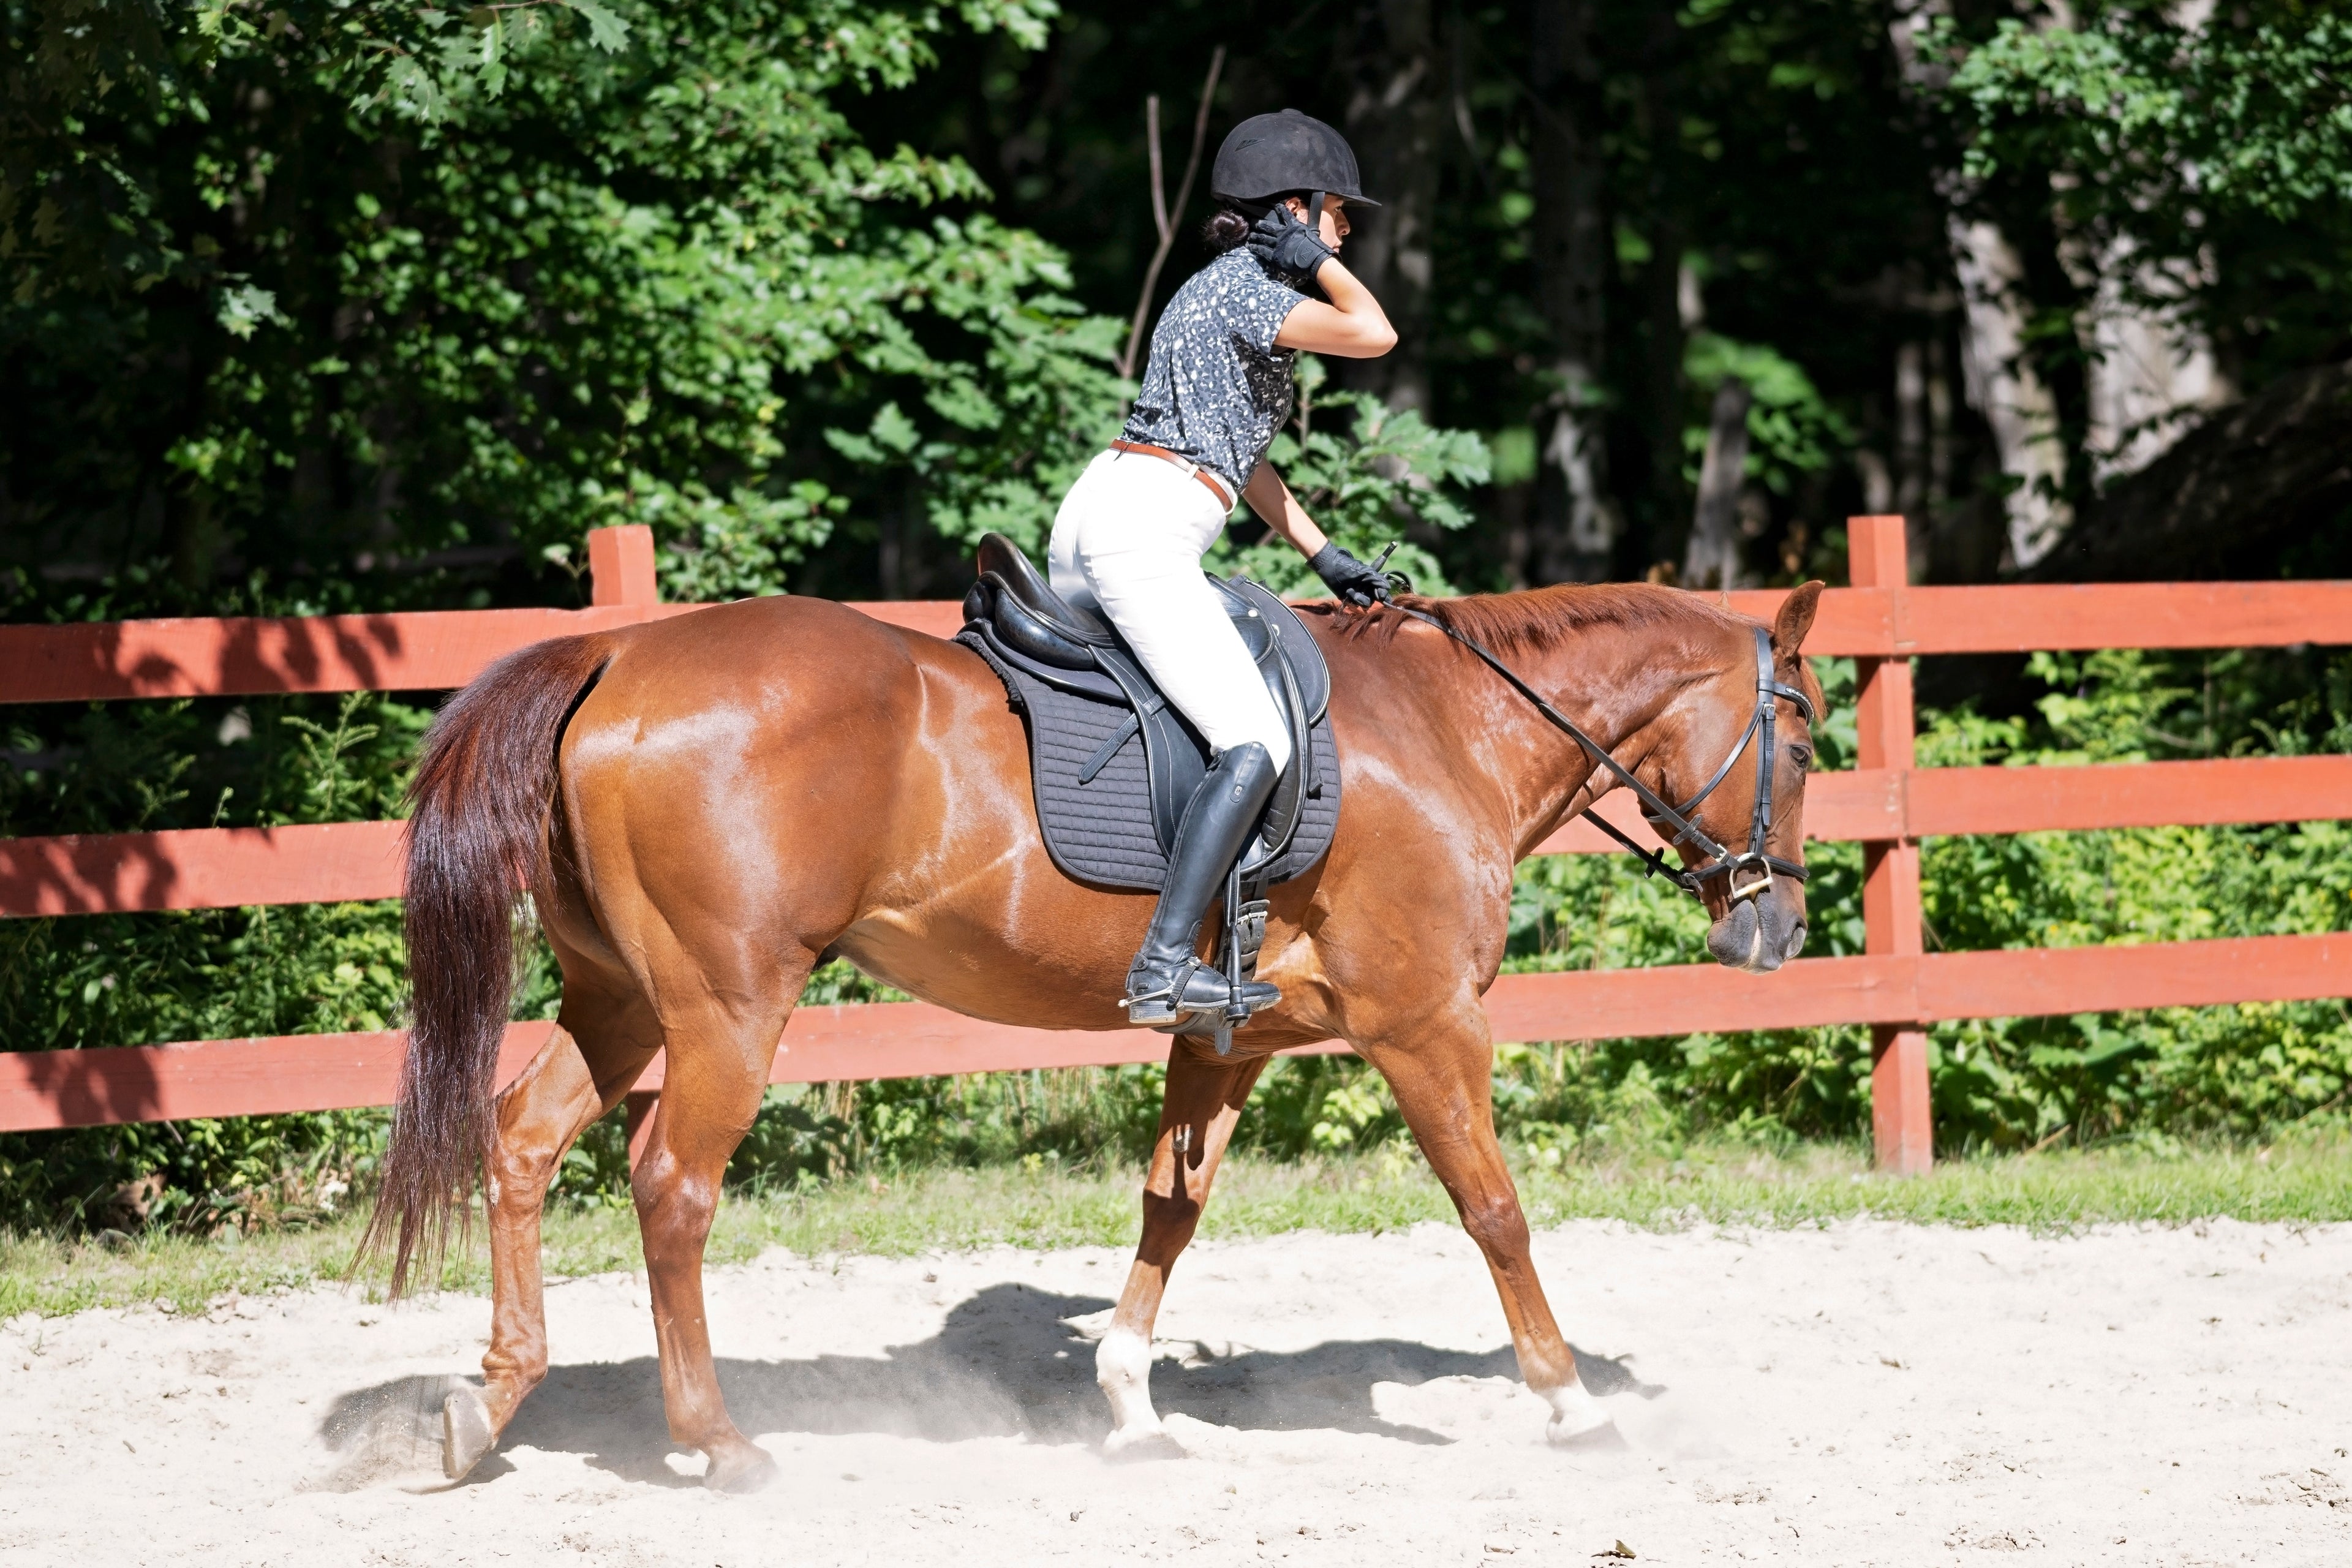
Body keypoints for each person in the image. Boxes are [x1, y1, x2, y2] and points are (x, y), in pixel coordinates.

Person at [1047, 108, 1400, 1028]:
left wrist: (1322, 553)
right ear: (1294, 209)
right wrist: (1308, 255)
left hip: (1107, 506)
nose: (1346, 231)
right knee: (1258, 741)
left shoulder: (1217, 289)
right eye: (1336, 214)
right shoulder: (1250, 287)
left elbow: (1238, 451)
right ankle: (1163, 966)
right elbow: (1376, 332)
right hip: (1144, 527)